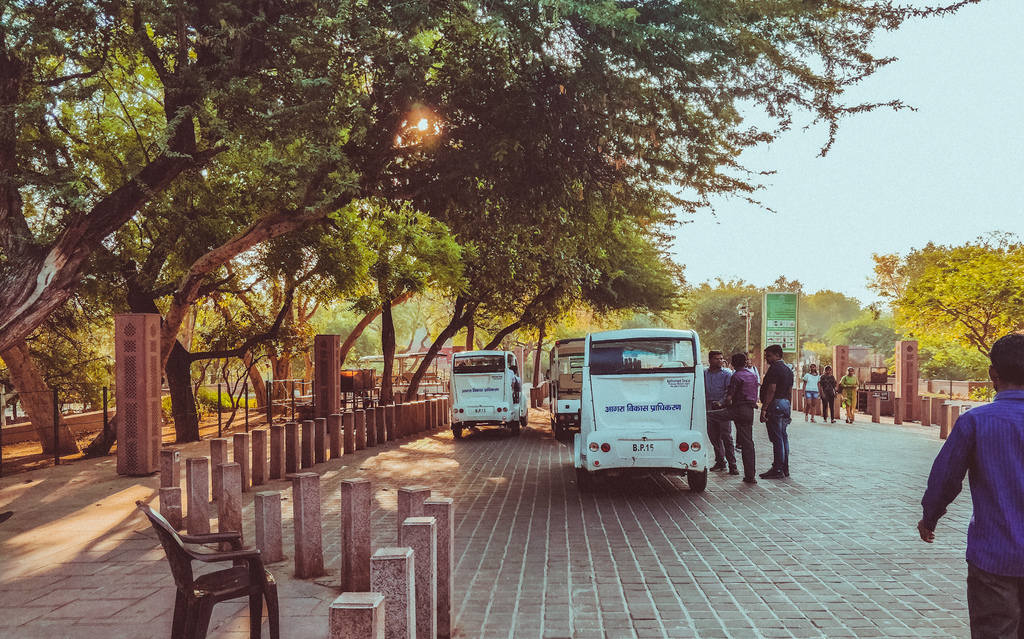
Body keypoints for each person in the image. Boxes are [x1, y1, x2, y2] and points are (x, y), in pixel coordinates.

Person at [918, 333, 1024, 637]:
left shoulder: (976, 421)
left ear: (993, 374)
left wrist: (930, 518)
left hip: (994, 556)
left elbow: (946, 478)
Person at [759, 344, 794, 480]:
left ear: (777, 355)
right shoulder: (788, 370)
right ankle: (784, 467)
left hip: (776, 404)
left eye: (768, 355)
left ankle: (777, 467)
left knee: (777, 438)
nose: (766, 358)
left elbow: (771, 389)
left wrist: (764, 408)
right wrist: (789, 409)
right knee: (783, 436)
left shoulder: (774, 369)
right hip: (785, 403)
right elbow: (790, 391)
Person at [724, 352, 759, 484]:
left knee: (711, 416)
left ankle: (724, 458)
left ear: (732, 364)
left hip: (739, 408)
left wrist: (726, 406)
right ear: (745, 362)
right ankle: (750, 475)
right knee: (748, 442)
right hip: (750, 410)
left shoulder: (736, 376)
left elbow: (729, 397)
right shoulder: (753, 375)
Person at [704, 351, 737, 474]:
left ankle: (732, 464)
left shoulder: (727, 374)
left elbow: (729, 391)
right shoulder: (704, 374)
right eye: (716, 358)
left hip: (722, 408)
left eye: (721, 358)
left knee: (726, 437)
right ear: (710, 360)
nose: (720, 361)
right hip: (709, 407)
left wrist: (721, 402)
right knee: (713, 436)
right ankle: (720, 461)